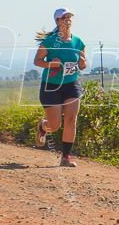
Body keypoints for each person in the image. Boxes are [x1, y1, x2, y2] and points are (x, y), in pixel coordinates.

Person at [33, 9, 87, 167]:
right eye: (63, 18)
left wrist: (83, 64)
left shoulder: (78, 42)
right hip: (51, 86)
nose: (67, 20)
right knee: (55, 126)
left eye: (69, 17)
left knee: (71, 120)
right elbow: (37, 61)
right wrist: (51, 64)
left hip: (71, 84)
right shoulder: (50, 42)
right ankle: (43, 126)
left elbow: (83, 64)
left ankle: (66, 157)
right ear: (57, 21)